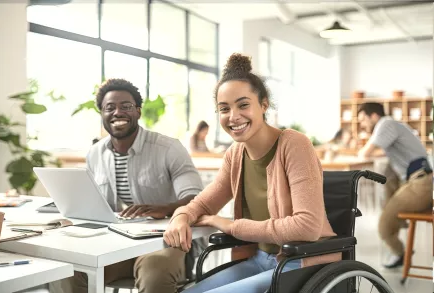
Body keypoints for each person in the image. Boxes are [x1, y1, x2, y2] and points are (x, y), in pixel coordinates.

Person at [163, 53, 341, 293]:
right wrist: (181, 217)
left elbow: (306, 227)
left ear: (264, 105)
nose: (233, 117)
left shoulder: (294, 145)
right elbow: (203, 203)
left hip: (301, 262)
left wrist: (229, 225)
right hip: (260, 260)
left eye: (243, 104)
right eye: (224, 109)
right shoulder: (235, 154)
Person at [52, 78, 204, 293]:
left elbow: (195, 198)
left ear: (138, 112)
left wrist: (166, 208)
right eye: (109, 107)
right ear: (102, 114)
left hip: (168, 241)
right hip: (119, 241)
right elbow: (94, 203)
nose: (117, 112)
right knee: (68, 270)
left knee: (154, 271)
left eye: (126, 106)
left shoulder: (168, 148)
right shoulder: (95, 154)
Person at [357, 102, 432, 269]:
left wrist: (362, 150)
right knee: (388, 182)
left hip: (420, 184)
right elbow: (383, 151)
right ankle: (398, 239)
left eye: (363, 120)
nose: (362, 124)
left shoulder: (385, 123)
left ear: (374, 116)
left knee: (384, 225)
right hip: (422, 180)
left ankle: (400, 253)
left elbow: (364, 153)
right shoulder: (393, 125)